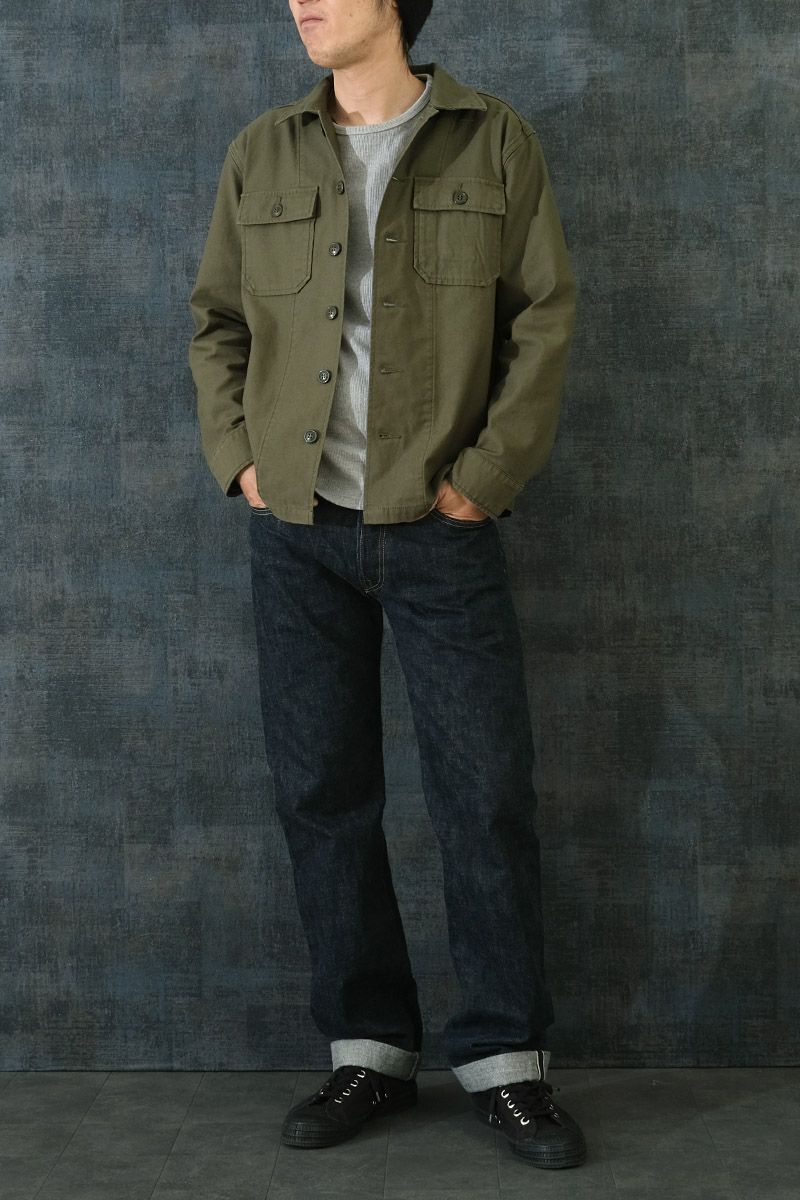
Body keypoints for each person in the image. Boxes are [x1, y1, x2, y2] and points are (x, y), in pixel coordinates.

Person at [188, 0, 586, 1171]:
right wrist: (242, 461)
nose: (300, 0)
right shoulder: (261, 150)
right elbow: (216, 322)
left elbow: (543, 319)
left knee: (484, 795)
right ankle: (366, 1050)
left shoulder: (492, 139)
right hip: (296, 533)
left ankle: (505, 1063)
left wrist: (483, 479)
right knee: (322, 795)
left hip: (438, 528)